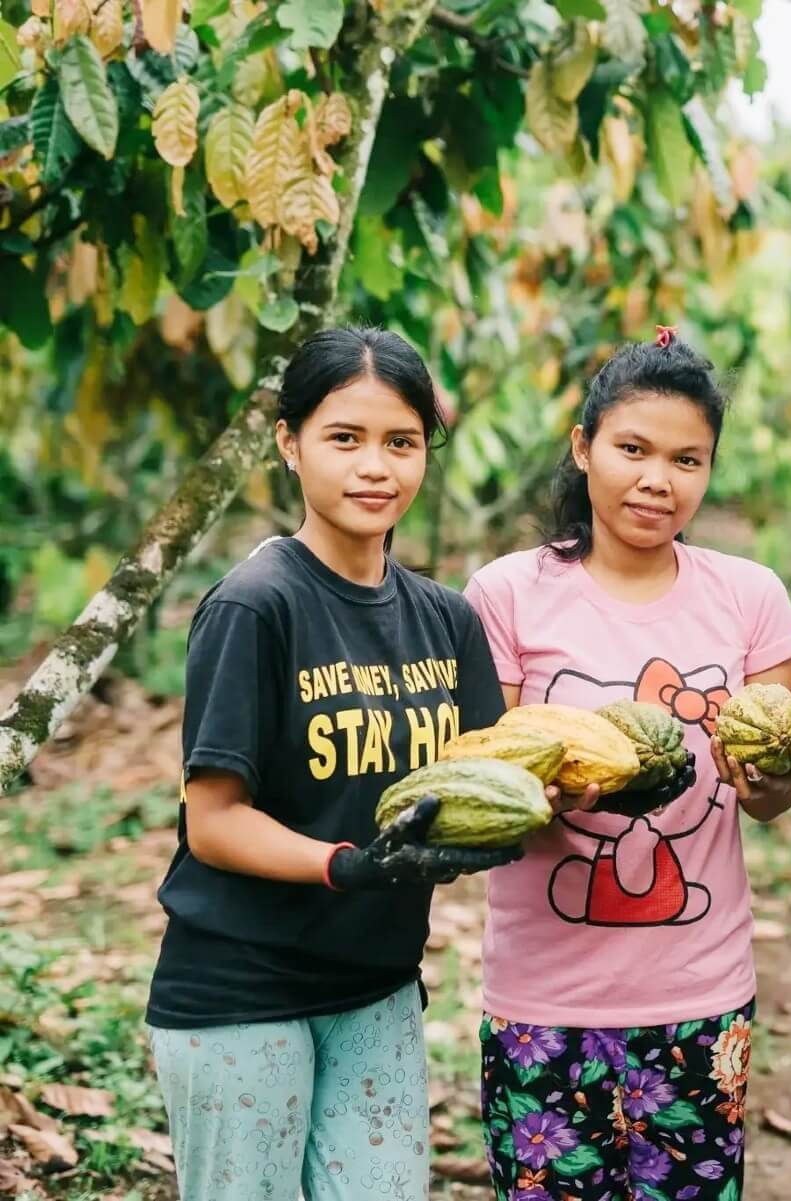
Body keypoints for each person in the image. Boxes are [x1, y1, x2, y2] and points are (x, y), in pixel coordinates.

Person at [146, 327, 521, 1200]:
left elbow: (495, 777)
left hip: (378, 988)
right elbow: (214, 820)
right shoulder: (255, 603)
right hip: (241, 989)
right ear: (290, 442)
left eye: (402, 441)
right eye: (344, 438)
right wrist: (346, 866)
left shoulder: (447, 618)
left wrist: (617, 774)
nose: (375, 467)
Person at [465, 328, 791, 1200]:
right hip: (543, 998)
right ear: (583, 448)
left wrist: (770, 778)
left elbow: (773, 798)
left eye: (687, 459)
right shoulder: (506, 593)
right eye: (633, 449)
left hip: (700, 990)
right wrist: (543, 792)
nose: (658, 479)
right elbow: (490, 784)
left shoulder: (750, 597)